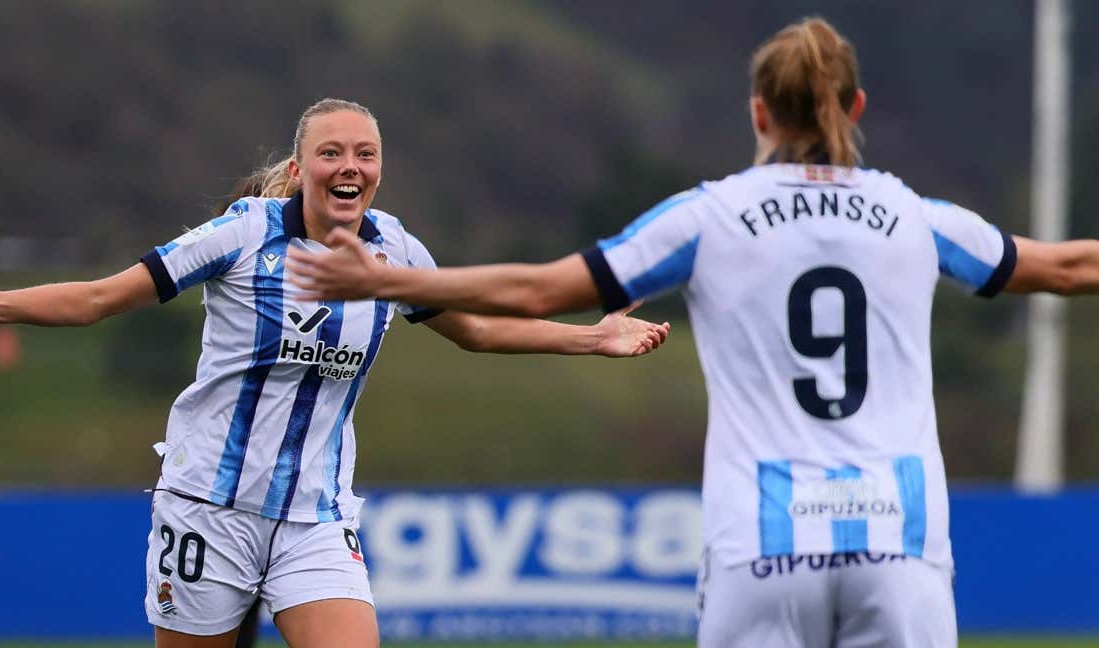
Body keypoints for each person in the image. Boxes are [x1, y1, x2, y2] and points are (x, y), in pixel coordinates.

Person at [284, 21, 1099, 648]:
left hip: (763, 545)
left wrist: (390, 278)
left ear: (756, 112)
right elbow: (1065, 269)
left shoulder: (709, 218)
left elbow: (539, 286)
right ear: (855, 108)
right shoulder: (917, 219)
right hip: (900, 541)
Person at [0, 97, 670, 648]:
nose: (350, 167)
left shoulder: (395, 252)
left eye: (365, 154)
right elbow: (103, 296)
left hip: (316, 520)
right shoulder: (240, 236)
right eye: (332, 153)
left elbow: (475, 329)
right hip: (208, 509)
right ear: (299, 170)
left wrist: (590, 338)